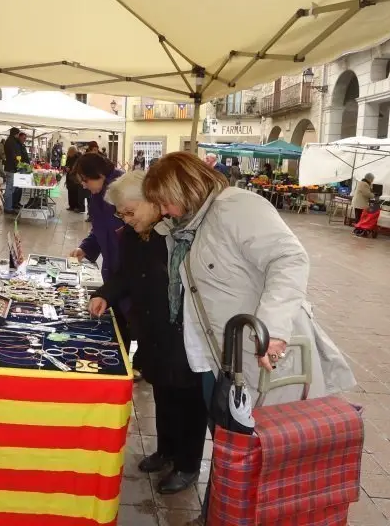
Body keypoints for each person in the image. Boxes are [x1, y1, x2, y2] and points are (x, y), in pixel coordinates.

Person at [144, 153, 357, 525]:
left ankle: (253, 516)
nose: (163, 210)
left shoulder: (236, 208)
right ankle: (224, 515)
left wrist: (272, 327)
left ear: (188, 187)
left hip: (267, 357)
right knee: (234, 449)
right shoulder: (187, 226)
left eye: (166, 200)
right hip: (224, 361)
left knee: (271, 451)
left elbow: (289, 259)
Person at [89, 171, 208, 495]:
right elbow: (124, 275)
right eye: (121, 214)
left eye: (130, 211)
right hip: (152, 329)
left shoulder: (178, 235)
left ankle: (187, 464)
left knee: (189, 400)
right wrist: (104, 294)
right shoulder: (131, 236)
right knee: (163, 392)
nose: (125, 220)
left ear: (154, 202)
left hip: (184, 333)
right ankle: (166, 450)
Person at [68, 153, 132, 354]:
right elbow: (99, 230)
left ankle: (137, 365)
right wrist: (85, 248)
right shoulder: (96, 196)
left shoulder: (121, 189)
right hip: (112, 266)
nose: (84, 186)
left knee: (132, 317)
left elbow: (130, 230)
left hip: (129, 267)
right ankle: (121, 357)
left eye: (85, 181)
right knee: (118, 319)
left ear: (98, 174)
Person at [3, 128, 30, 214]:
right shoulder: (11, 142)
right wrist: (18, 165)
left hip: (12, 168)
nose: (19, 136)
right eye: (18, 134)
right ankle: (8, 208)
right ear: (16, 134)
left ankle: (10, 206)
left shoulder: (11, 141)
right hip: (11, 168)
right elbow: (13, 156)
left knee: (11, 188)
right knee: (10, 189)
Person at [64, 146, 84, 213]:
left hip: (76, 178)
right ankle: (71, 206)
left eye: (70, 152)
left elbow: (80, 166)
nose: (69, 154)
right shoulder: (69, 157)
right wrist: (67, 168)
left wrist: (73, 169)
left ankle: (77, 206)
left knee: (76, 192)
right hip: (70, 177)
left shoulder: (79, 156)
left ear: (73, 152)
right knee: (70, 191)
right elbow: (66, 164)